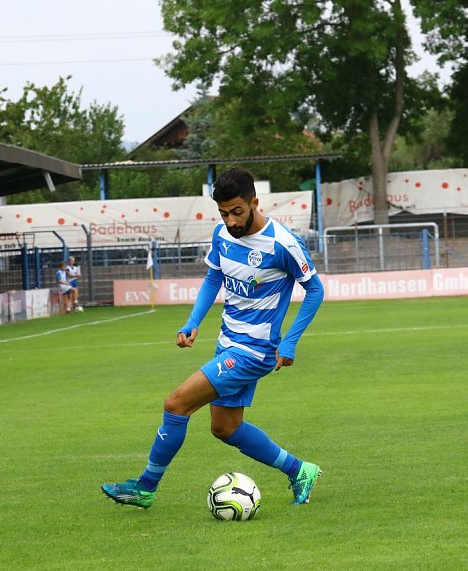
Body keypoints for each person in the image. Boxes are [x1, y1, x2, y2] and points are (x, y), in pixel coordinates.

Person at [101, 167, 325, 509]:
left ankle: (145, 487)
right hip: (227, 343)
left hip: (255, 350)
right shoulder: (221, 235)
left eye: (237, 211)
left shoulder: (283, 243)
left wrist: (290, 341)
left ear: (254, 202)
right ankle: (300, 470)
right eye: (224, 213)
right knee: (225, 428)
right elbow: (213, 278)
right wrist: (193, 323)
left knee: (176, 404)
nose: (231, 221)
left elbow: (315, 290)